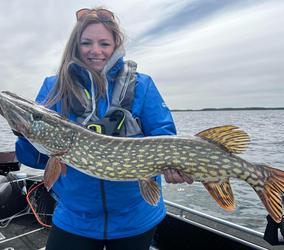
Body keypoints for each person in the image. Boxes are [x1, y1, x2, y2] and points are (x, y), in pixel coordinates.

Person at [15, 7, 193, 250]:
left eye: (104, 43)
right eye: (86, 42)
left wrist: (174, 167)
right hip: (75, 220)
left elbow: (163, 138)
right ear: (75, 45)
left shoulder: (142, 85)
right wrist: (23, 132)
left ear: (116, 46)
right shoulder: (54, 87)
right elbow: (33, 158)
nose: (95, 51)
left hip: (135, 218)